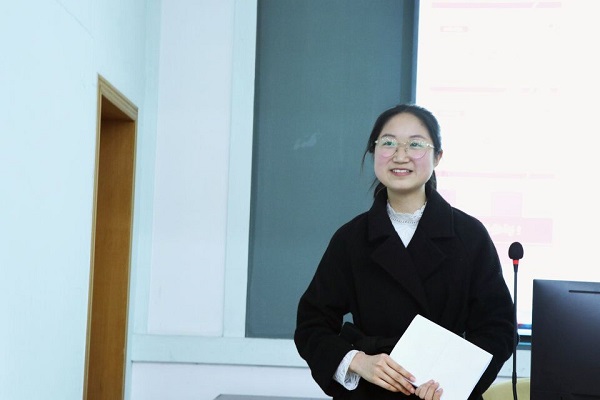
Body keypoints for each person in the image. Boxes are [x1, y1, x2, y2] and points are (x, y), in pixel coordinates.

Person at [294, 104, 514, 399]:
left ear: (438, 157)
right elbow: (312, 324)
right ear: (374, 151)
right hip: (371, 393)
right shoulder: (351, 238)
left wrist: (452, 383)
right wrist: (357, 361)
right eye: (388, 143)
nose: (400, 155)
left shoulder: (469, 235)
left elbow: (498, 328)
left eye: (415, 144)